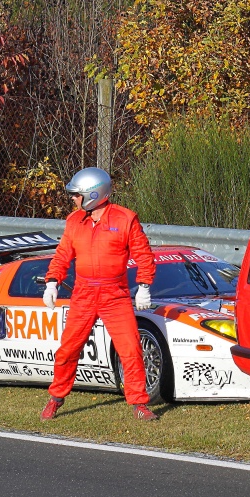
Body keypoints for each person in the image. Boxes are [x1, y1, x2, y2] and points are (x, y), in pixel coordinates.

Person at [41, 167, 159, 421]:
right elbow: (63, 255)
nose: (73, 199)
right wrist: (52, 282)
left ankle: (139, 403)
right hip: (83, 293)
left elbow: (144, 255)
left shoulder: (125, 219)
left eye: (76, 194)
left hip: (114, 293)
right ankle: (56, 398)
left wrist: (144, 286)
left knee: (130, 349)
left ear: (93, 194)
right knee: (68, 349)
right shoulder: (74, 221)